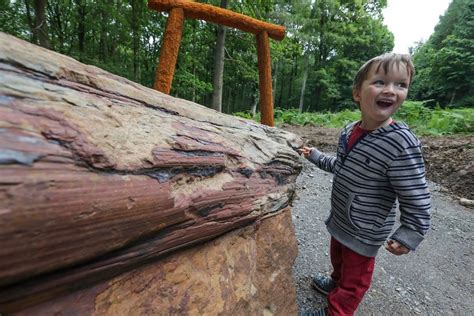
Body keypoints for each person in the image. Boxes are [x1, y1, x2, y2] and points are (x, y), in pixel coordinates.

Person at [299, 53, 431, 316]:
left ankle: (336, 311)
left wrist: (409, 233)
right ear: (357, 93)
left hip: (366, 230)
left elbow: (415, 193)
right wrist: (315, 156)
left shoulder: (401, 143)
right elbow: (341, 165)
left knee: (355, 280)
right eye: (380, 82)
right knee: (338, 259)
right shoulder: (349, 131)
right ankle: (334, 283)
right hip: (341, 220)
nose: (391, 91)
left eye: (400, 85)